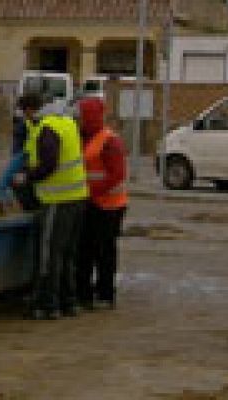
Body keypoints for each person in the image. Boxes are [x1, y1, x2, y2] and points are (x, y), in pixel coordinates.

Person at [13, 93, 88, 320]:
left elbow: (49, 165)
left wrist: (26, 178)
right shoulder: (66, 122)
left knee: (49, 254)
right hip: (77, 197)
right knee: (67, 254)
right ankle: (68, 301)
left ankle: (47, 304)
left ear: (30, 110)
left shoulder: (47, 128)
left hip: (58, 200)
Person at [76, 98, 128, 310]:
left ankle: (106, 293)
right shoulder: (84, 138)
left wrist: (89, 191)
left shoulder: (109, 141)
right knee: (85, 250)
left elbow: (117, 175)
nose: (80, 119)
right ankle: (85, 292)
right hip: (92, 203)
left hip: (109, 206)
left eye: (83, 115)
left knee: (104, 251)